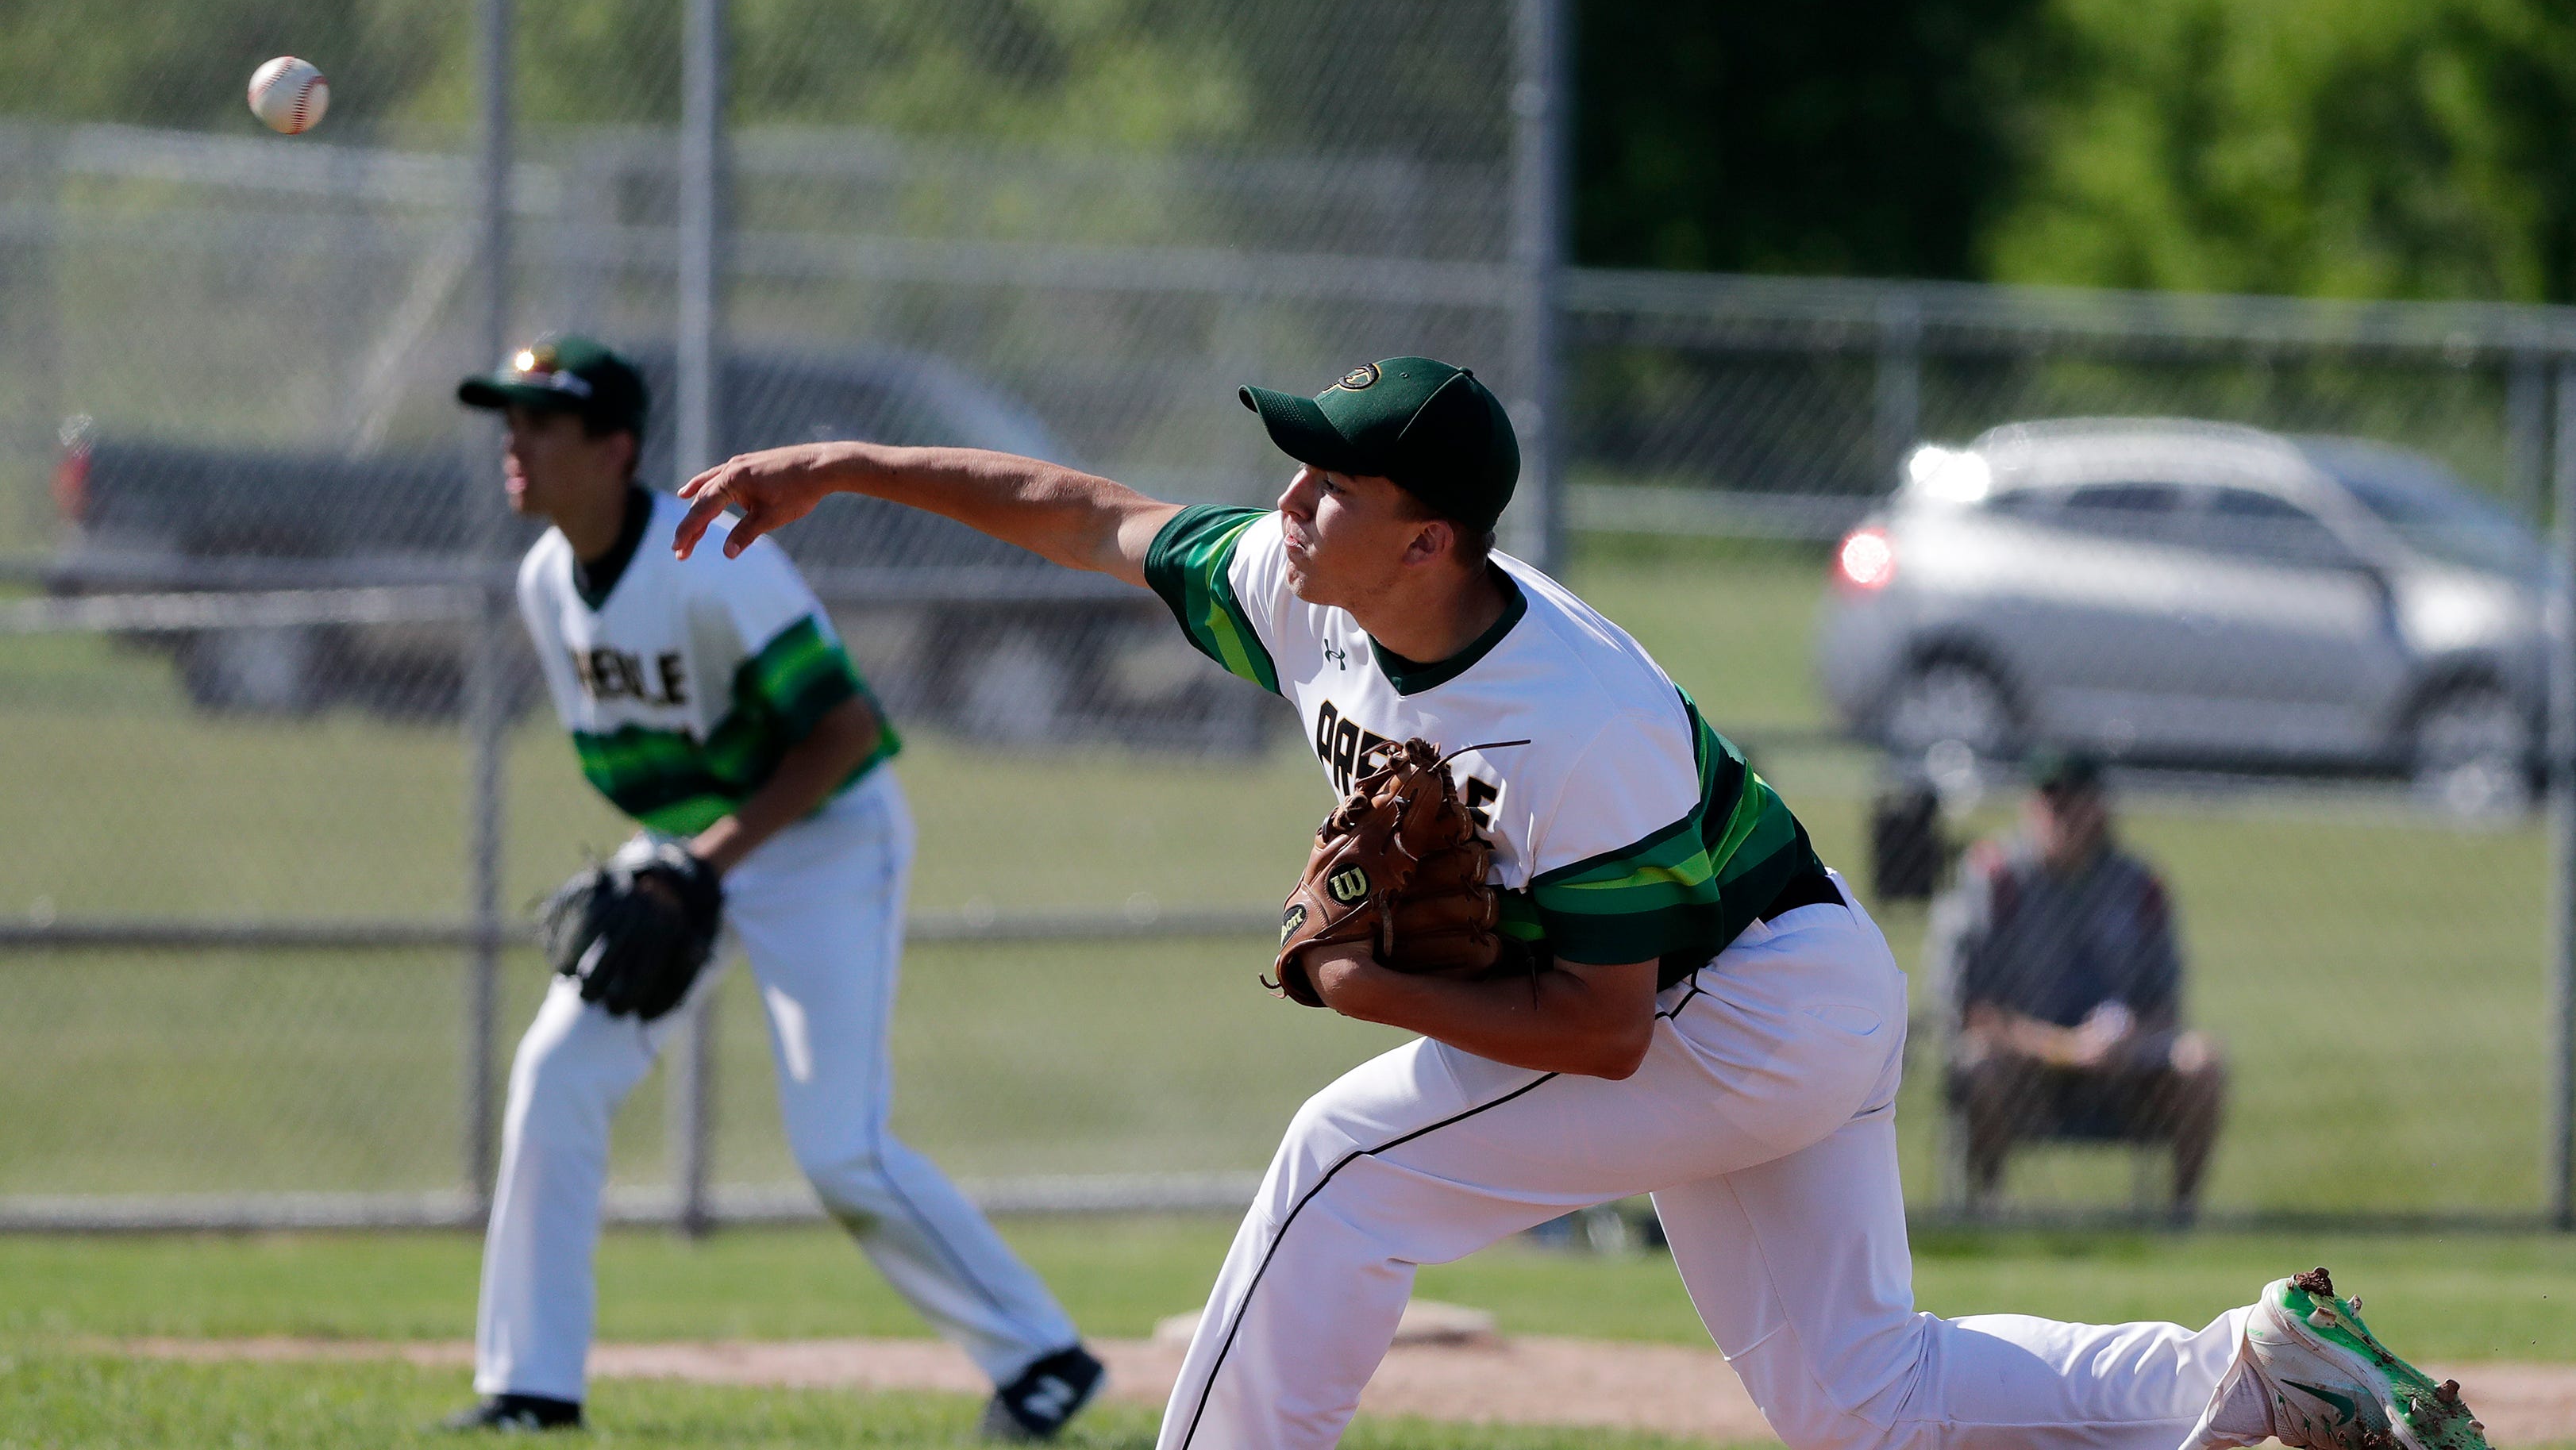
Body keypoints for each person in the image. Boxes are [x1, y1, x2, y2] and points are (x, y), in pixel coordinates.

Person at [670, 356, 2490, 1450]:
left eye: (1332, 478)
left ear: (1434, 539)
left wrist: (1364, 982)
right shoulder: (1316, 585)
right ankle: (2250, 1366)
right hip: (1774, 987)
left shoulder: (1577, 719)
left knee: (1335, 1160)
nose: (1286, 498)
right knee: (1853, 1393)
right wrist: (837, 466)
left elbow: (1602, 1033)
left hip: (1744, 1005)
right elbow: (1086, 512)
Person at [441, 336, 1103, 1440]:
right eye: (507, 420)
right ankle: (530, 1390)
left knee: (839, 1145)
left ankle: (1041, 1358)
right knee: (555, 1071)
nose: (514, 442)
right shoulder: (546, 580)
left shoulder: (706, 554)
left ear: (615, 450)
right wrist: (672, 868)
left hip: (829, 837)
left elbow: (843, 733)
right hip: (702, 839)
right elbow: (646, 768)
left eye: (541, 422)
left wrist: (699, 868)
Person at [1931, 750, 2228, 1217]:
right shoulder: (1995, 879)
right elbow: (1968, 1009)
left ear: (2100, 807)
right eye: (2052, 801)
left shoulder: (2139, 885)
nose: (2062, 815)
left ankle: (2182, 1218)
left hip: (2123, 1074)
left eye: (2075, 801)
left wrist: (2125, 1039)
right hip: (2025, 1068)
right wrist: (2065, 1047)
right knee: (1978, 1060)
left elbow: (2165, 1008)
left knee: (2202, 1062)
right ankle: (1984, 1213)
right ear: (2031, 805)